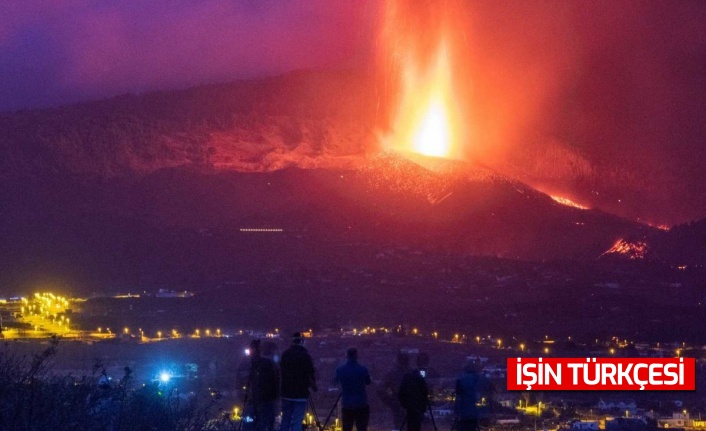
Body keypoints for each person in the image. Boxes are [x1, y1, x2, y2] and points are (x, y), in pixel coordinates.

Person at [279, 332, 317, 431]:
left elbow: (280, 372)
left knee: (286, 419)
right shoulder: (305, 356)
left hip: (286, 393)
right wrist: (314, 386)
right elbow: (310, 373)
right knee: (297, 420)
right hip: (301, 394)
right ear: (302, 341)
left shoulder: (285, 354)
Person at [246, 339, 279, 431]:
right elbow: (274, 381)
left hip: (261, 398)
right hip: (265, 398)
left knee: (260, 422)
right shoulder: (268, 363)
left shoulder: (258, 364)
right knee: (266, 422)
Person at [335, 347, 372, 431]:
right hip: (361, 403)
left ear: (346, 356)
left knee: (347, 428)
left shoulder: (340, 369)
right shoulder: (363, 369)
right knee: (362, 428)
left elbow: (335, 381)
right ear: (356, 355)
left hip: (347, 404)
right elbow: (368, 382)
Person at [454, 360, 493, 431]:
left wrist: (456, 411)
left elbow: (458, 397)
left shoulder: (460, 380)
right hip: (473, 414)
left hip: (463, 414)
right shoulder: (478, 379)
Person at [378, 351, 411, 430]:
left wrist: (391, 402)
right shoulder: (413, 372)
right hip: (411, 405)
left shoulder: (392, 373)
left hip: (398, 405)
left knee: (399, 426)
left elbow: (380, 389)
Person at [398, 362, 429, 431]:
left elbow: (401, 393)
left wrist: (405, 405)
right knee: (415, 424)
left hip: (410, 407)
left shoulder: (407, 380)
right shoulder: (420, 380)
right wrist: (423, 409)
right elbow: (425, 393)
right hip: (416, 407)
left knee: (411, 424)